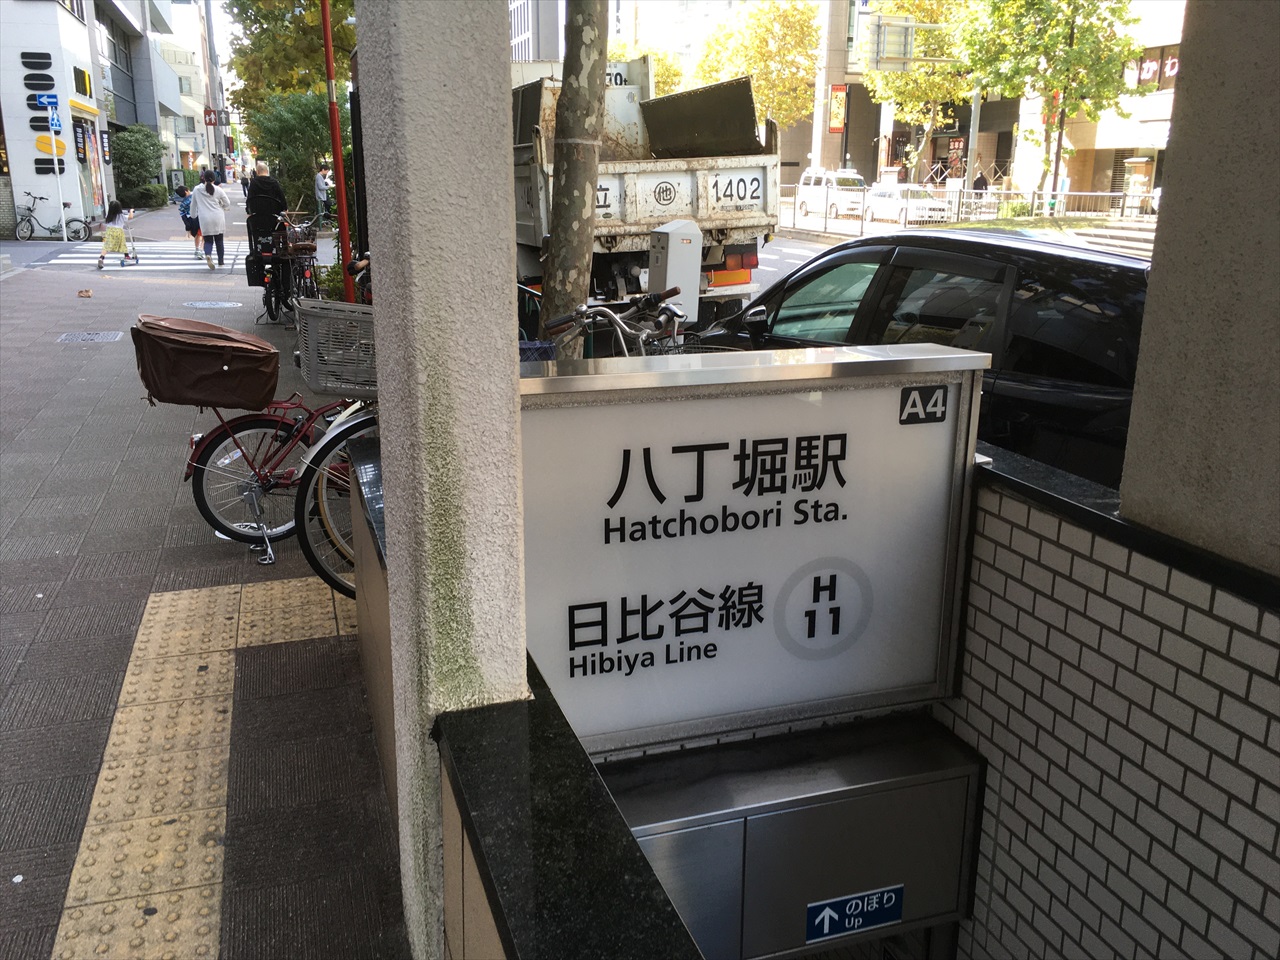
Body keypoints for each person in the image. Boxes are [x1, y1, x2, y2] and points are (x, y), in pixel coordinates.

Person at [189, 169, 232, 269]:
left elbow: (193, 205)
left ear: (203, 178)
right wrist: (222, 206)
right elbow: (227, 203)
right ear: (214, 179)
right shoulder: (218, 190)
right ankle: (221, 262)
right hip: (218, 217)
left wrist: (193, 216)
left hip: (204, 218)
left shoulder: (197, 189)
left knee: (208, 241)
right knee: (219, 241)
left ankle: (208, 254)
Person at [245, 160, 288, 247]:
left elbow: (249, 200)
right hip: (273, 218)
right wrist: (285, 209)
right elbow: (282, 198)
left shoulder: (253, 183)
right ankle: (282, 247)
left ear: (257, 172)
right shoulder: (274, 183)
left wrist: (249, 212)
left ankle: (256, 248)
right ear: (267, 171)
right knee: (282, 226)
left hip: (258, 218)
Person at [96, 200, 131, 269]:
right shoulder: (121, 216)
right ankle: (126, 256)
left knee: (107, 246)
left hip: (109, 231)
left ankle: (101, 258)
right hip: (118, 231)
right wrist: (131, 211)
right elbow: (130, 217)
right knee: (122, 243)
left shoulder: (108, 215)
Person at [175, 185, 203, 259]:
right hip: (200, 217)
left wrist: (187, 225)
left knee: (197, 235)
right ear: (186, 191)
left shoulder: (183, 203)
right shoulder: (194, 196)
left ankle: (197, 249)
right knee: (204, 235)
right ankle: (201, 250)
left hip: (190, 220)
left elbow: (182, 213)